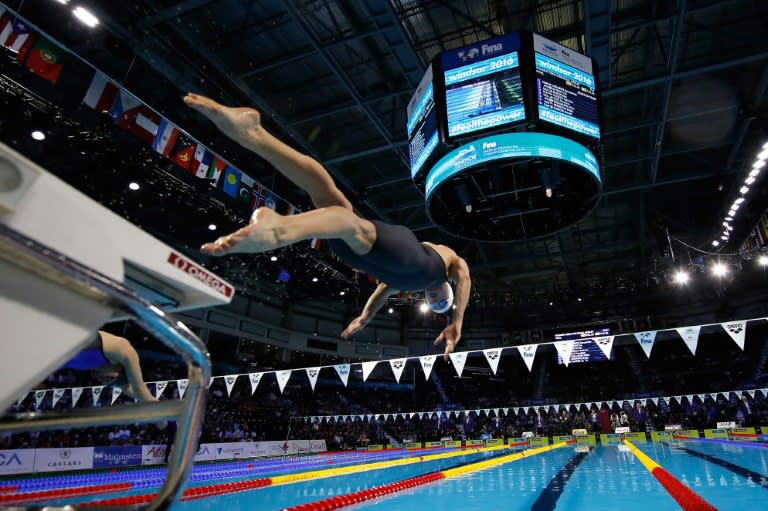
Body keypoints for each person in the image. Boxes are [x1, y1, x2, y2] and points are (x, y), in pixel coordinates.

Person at [184, 93, 471, 359]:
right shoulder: (431, 272)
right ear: (448, 289)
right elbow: (457, 282)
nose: (435, 298)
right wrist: (453, 319)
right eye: (440, 299)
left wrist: (367, 318)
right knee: (329, 199)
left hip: (394, 258)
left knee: (345, 218)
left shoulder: (422, 273)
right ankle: (254, 134)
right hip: (375, 256)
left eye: (433, 302)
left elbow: (392, 293)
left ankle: (279, 229)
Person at [59, 330, 156, 404]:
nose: (102, 380)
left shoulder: (94, 365)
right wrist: (161, 416)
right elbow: (140, 389)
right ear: (118, 371)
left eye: (105, 381)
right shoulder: (122, 350)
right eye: (108, 378)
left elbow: (135, 393)